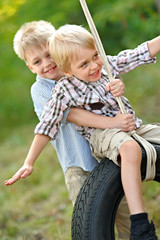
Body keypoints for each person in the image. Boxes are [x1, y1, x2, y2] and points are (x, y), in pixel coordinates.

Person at [5, 20, 132, 240]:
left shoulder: (81, 71)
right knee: (91, 220)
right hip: (77, 163)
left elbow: (108, 93)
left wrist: (118, 87)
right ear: (30, 66)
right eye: (37, 61)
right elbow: (72, 115)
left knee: (124, 212)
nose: (46, 63)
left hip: (108, 154)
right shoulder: (40, 90)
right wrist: (29, 161)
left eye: (49, 54)